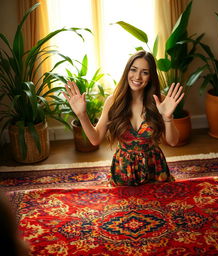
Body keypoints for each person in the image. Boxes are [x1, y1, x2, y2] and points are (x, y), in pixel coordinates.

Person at [63, 50, 184, 186]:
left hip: (154, 167)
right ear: (127, 71)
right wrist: (82, 115)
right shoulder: (113, 101)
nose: (137, 77)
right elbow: (95, 139)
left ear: (151, 76)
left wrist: (167, 118)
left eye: (145, 72)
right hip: (124, 169)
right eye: (133, 70)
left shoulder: (159, 101)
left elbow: (173, 142)